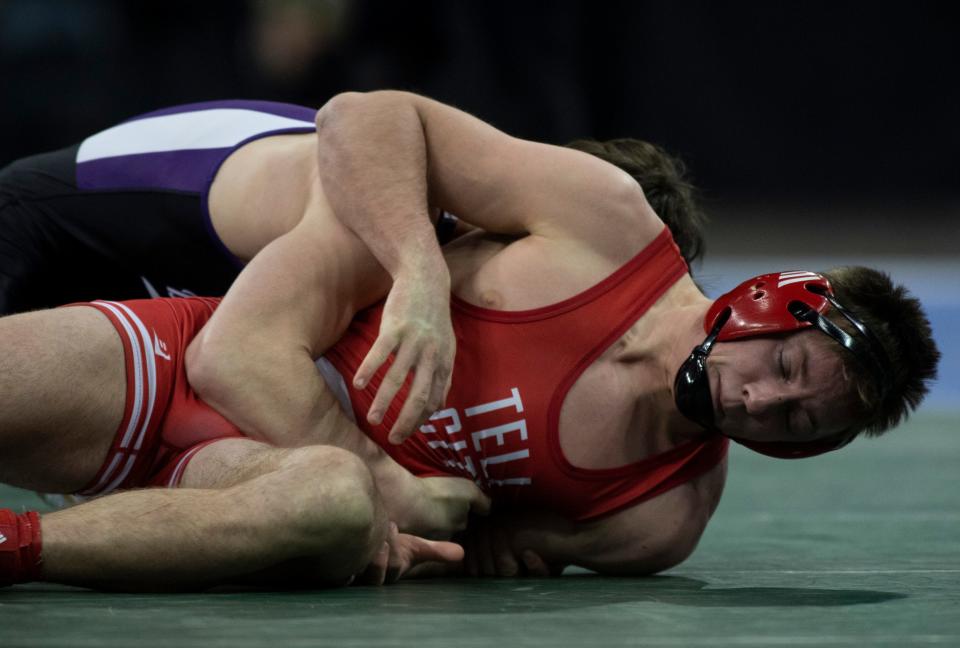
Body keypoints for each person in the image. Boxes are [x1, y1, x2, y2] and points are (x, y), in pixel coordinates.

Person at [2, 91, 940, 585]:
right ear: (761, 303)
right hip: (145, 254)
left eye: (801, 421)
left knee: (326, 503)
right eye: (784, 368)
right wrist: (415, 274)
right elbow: (364, 120)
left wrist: (421, 526)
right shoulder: (411, 224)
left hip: (253, 460)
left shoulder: (656, 520)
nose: (761, 404)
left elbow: (469, 547)